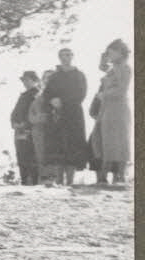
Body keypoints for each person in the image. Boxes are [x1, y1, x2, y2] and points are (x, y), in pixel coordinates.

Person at [40, 47, 89, 185]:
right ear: (59, 57)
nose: (65, 57)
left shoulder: (79, 75)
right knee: (58, 147)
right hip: (58, 115)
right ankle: (59, 180)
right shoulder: (54, 76)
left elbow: (81, 94)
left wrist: (63, 101)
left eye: (68, 54)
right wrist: (52, 100)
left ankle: (70, 181)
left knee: (73, 146)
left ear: (72, 56)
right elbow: (46, 93)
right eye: (62, 55)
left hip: (73, 115)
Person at [89, 39, 131, 185]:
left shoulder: (124, 67)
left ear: (120, 52)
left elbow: (122, 89)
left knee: (117, 141)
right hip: (107, 108)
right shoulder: (115, 68)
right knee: (103, 140)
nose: (109, 55)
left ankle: (118, 175)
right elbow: (104, 69)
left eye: (111, 52)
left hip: (117, 109)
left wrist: (104, 95)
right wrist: (104, 59)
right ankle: (106, 175)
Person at [9, 70, 40, 185]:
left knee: (31, 156)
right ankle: (24, 181)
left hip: (31, 131)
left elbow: (35, 112)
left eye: (27, 80)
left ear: (34, 80)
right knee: (21, 156)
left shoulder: (37, 95)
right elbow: (15, 112)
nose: (25, 82)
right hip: (19, 130)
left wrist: (26, 124)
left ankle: (33, 182)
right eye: (24, 80)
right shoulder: (23, 95)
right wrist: (14, 123)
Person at [29, 70, 55, 185]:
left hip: (53, 129)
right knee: (40, 155)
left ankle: (53, 179)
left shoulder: (58, 95)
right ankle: (42, 180)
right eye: (46, 78)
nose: (48, 80)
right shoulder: (38, 96)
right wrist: (36, 118)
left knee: (53, 155)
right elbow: (30, 115)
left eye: (51, 78)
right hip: (38, 130)